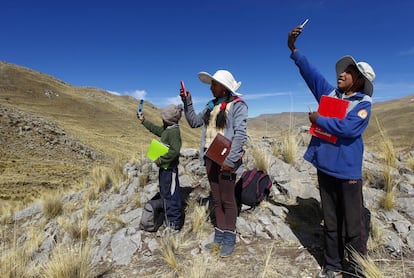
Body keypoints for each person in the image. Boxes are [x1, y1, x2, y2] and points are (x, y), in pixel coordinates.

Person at [288, 25, 375, 277]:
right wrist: (293, 49)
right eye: (343, 71)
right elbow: (311, 74)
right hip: (326, 169)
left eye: (349, 72)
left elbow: (348, 129)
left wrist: (318, 120)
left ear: (359, 80)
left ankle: (357, 269)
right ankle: (333, 265)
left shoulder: (363, 104)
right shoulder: (331, 95)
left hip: (347, 173)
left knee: (353, 225)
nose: (342, 74)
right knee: (331, 221)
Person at [180, 70, 248, 257]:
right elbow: (194, 122)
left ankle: (229, 237)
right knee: (217, 198)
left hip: (226, 159)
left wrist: (231, 160)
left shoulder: (238, 105)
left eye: (214, 85)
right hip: (211, 157)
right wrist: (188, 102)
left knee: (227, 198)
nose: (211, 88)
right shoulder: (211, 106)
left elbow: (240, 134)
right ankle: (219, 235)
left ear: (224, 88)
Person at [138, 104, 184, 233]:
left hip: (170, 169)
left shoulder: (174, 132)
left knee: (172, 195)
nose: (161, 120)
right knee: (165, 193)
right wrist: (144, 121)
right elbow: (157, 130)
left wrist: (160, 160)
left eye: (163, 118)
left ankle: (174, 224)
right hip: (164, 168)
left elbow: (175, 151)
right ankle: (167, 218)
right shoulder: (168, 129)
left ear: (168, 120)